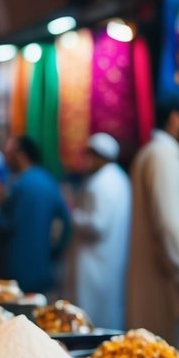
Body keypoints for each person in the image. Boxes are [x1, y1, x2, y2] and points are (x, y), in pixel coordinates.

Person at [127, 91, 179, 349]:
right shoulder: (162, 157)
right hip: (167, 290)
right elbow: (170, 228)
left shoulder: (156, 154)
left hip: (161, 285)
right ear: (175, 118)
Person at [66, 133, 132, 329]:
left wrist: (72, 214)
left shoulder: (101, 183)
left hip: (94, 262)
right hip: (109, 258)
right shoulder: (119, 178)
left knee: (91, 316)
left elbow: (97, 226)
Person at [0, 135, 71, 294]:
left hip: (15, 268)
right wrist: (54, 252)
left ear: (21, 155)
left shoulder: (17, 185)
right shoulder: (49, 181)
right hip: (43, 268)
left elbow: (7, 225)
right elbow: (66, 222)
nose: (6, 159)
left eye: (9, 153)